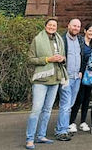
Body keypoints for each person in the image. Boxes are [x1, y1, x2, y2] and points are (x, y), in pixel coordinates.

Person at [25, 18, 68, 149]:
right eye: (49, 25)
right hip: (41, 80)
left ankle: (41, 135)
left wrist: (62, 58)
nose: (52, 27)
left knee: (47, 110)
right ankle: (30, 139)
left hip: (55, 78)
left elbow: (64, 57)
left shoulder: (59, 40)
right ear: (45, 26)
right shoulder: (37, 40)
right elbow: (30, 59)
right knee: (36, 110)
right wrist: (48, 59)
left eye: (54, 25)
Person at [56, 19, 82, 141]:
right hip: (66, 77)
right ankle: (61, 131)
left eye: (78, 26)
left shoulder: (80, 40)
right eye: (74, 26)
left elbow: (82, 56)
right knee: (66, 105)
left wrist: (81, 70)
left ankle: (64, 128)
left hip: (77, 77)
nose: (76, 28)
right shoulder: (62, 40)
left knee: (70, 105)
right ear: (68, 26)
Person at [70, 24, 92, 132]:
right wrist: (80, 70)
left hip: (90, 75)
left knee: (86, 99)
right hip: (80, 74)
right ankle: (71, 122)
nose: (91, 33)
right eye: (90, 31)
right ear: (85, 31)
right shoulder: (79, 42)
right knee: (78, 98)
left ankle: (83, 121)